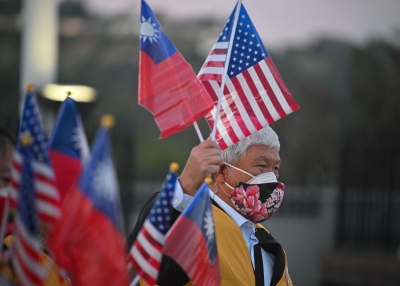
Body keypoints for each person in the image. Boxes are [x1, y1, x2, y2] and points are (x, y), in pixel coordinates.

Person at [128, 126, 293, 286]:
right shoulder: (192, 220)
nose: (272, 177)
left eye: (276, 168)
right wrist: (186, 185)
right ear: (221, 172)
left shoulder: (266, 242)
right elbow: (157, 264)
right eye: (262, 166)